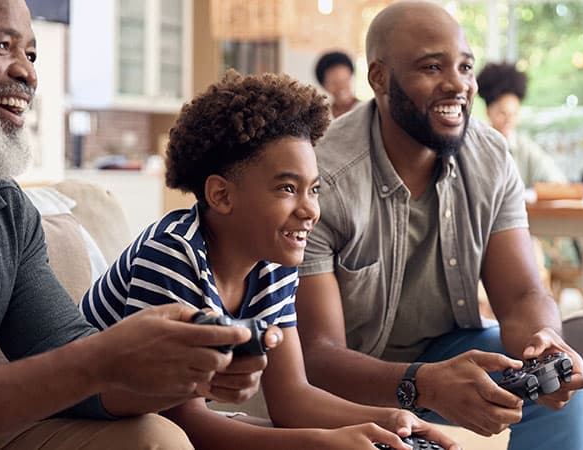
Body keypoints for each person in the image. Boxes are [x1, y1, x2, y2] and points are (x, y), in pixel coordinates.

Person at [0, 1, 271, 448]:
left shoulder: (4, 209)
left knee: (154, 438)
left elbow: (63, 352)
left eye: (30, 54)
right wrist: (102, 359)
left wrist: (188, 371)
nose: (27, 74)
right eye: (1, 46)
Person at [80, 70, 459, 450]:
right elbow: (183, 421)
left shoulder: (274, 265)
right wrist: (321, 444)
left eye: (314, 189)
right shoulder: (173, 255)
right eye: (288, 189)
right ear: (222, 195)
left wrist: (391, 420)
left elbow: (292, 397)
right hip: (93, 418)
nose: (311, 210)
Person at [293, 2, 583, 450]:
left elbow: (521, 295)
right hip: (346, 382)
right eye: (432, 67)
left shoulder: (490, 158)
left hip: (444, 352)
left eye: (465, 67)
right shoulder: (323, 179)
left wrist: (543, 343)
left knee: (554, 386)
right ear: (379, 79)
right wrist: (424, 384)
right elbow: (316, 356)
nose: (458, 84)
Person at [476, 62, 566, 187]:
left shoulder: (525, 148)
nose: (509, 120)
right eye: (502, 113)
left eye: (514, 114)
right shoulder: (475, 146)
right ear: (488, 112)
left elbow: (557, 181)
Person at [315, 50, 361, 119]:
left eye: (344, 80)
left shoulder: (369, 110)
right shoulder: (322, 117)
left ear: (351, 76)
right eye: (334, 83)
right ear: (323, 86)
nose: (341, 87)